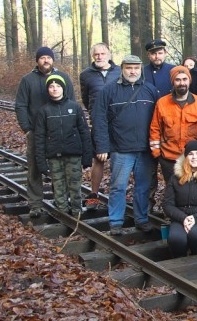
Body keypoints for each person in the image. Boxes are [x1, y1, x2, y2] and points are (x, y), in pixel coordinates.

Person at [92, 55, 159, 235]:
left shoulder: (150, 90)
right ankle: (115, 222)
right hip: (120, 149)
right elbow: (99, 119)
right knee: (118, 186)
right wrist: (102, 146)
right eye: (129, 68)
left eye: (136, 68)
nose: (133, 71)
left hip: (145, 150)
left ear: (141, 69)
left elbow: (158, 120)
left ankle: (142, 219)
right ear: (122, 68)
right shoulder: (109, 91)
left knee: (143, 187)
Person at [15, 46, 75, 219]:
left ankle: (61, 200)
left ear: (53, 60)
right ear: (37, 60)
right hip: (36, 132)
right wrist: (26, 129)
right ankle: (35, 204)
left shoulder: (63, 77)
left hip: (59, 132)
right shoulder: (28, 80)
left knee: (61, 166)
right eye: (42, 58)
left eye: (49, 57)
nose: (46, 60)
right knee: (34, 168)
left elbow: (72, 102)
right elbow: (20, 105)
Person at [34, 75, 93, 217]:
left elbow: (84, 131)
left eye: (58, 86)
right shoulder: (44, 111)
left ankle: (76, 210)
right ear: (48, 90)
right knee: (58, 185)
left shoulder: (74, 107)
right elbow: (39, 137)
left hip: (73, 153)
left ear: (63, 88)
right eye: (52, 87)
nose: (55, 89)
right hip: (54, 155)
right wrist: (41, 161)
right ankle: (63, 212)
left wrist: (87, 155)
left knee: (75, 184)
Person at [150, 65, 197, 190]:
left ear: (189, 81)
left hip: (193, 157)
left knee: (193, 191)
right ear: (173, 82)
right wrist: (157, 153)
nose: (181, 83)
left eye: (184, 79)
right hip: (169, 158)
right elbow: (155, 128)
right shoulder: (162, 103)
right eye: (178, 80)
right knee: (173, 190)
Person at [79, 42, 121, 210]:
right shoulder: (86, 75)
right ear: (92, 56)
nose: (99, 57)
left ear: (109, 55)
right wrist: (93, 113)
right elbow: (85, 98)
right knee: (99, 157)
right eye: (96, 54)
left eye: (103, 53)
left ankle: (117, 192)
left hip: (118, 121)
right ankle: (94, 193)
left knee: (118, 157)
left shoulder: (119, 72)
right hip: (98, 121)